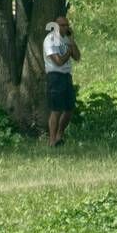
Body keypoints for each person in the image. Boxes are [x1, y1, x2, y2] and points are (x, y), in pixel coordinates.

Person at [44, 15, 80, 147]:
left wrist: (72, 41)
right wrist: (68, 53)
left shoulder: (67, 39)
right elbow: (58, 61)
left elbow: (77, 56)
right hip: (55, 75)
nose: (65, 27)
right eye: (62, 25)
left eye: (67, 25)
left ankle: (60, 134)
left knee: (69, 108)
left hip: (66, 76)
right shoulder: (50, 40)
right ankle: (52, 139)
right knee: (56, 109)